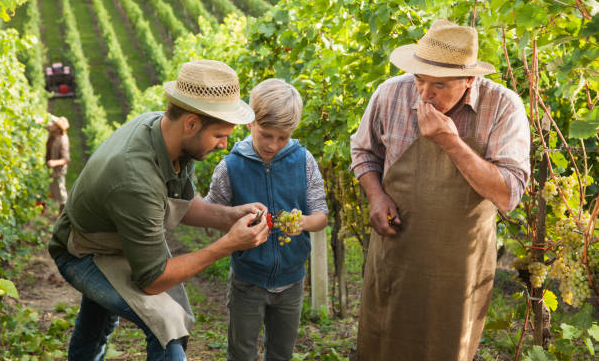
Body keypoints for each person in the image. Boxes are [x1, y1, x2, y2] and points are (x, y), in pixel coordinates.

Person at [48, 60, 270, 361]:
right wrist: (228, 245)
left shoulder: (168, 135)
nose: (224, 145)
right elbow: (152, 280)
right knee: (164, 324)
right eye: (219, 135)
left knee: (99, 322)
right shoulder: (134, 177)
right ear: (191, 123)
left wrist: (228, 217)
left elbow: (176, 200)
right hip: (82, 251)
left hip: (118, 237)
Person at [351, 20, 530, 360]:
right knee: (383, 342)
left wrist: (451, 142)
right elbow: (363, 152)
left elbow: (509, 193)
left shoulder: (503, 108)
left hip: (459, 265)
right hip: (396, 253)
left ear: (469, 80)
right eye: (419, 79)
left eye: (440, 85)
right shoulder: (390, 93)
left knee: (445, 347)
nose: (424, 94)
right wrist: (376, 195)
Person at [205, 78, 329, 361]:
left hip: (292, 281)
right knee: (241, 353)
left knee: (281, 354)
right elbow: (212, 214)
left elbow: (321, 215)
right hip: (247, 281)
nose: (273, 145)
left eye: (282, 137)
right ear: (249, 124)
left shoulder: (304, 161)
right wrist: (236, 224)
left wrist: (303, 223)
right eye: (266, 135)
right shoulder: (231, 166)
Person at [46, 115, 70, 213]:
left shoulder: (63, 140)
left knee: (61, 191)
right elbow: (47, 120)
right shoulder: (53, 132)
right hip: (52, 169)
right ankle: (59, 207)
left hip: (58, 171)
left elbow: (66, 159)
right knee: (53, 189)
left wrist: (54, 162)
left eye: (55, 125)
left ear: (59, 129)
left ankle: (65, 211)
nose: (52, 125)